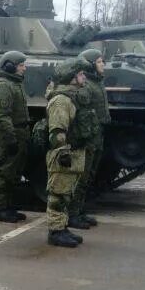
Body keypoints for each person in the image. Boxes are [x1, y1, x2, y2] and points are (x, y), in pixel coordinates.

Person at [46, 66, 87, 248]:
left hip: (74, 152)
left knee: (67, 193)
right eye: (79, 74)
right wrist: (63, 152)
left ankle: (62, 226)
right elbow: (57, 130)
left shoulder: (72, 97)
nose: (83, 76)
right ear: (70, 78)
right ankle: (55, 231)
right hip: (65, 153)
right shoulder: (61, 101)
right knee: (58, 194)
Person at [69, 48, 108, 228]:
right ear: (91, 65)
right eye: (99, 62)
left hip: (97, 134)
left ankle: (79, 210)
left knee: (89, 176)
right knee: (81, 177)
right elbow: (80, 115)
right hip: (88, 137)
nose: (103, 65)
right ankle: (72, 214)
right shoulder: (86, 87)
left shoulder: (96, 83)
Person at [0, 51, 31, 223]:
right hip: (11, 135)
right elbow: (1, 116)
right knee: (5, 173)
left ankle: (9, 207)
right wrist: (11, 139)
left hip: (20, 133)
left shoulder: (16, 84)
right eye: (21, 65)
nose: (24, 68)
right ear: (10, 66)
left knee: (14, 174)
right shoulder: (4, 85)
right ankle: (0, 209)